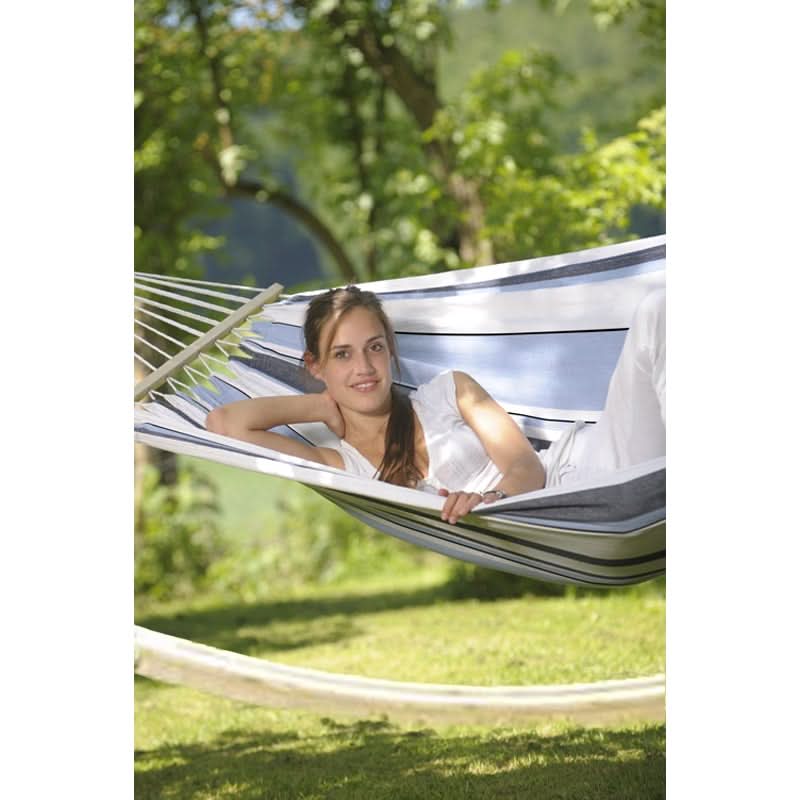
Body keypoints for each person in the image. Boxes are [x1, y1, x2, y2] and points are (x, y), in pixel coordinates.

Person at [206, 284, 665, 525]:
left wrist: (491, 499)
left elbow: (526, 467)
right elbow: (224, 422)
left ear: (390, 349)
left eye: (374, 348)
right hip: (581, 513)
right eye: (342, 355)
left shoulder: (450, 391)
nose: (364, 367)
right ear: (315, 365)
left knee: (658, 310)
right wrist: (320, 406)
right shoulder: (341, 466)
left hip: (590, 469)